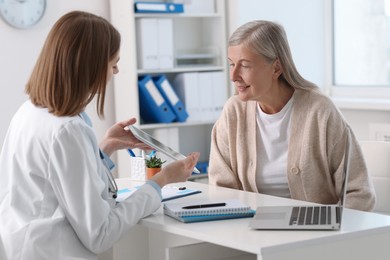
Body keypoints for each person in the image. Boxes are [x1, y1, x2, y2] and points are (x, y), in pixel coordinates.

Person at [0, 11, 199, 259]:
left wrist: (104, 149)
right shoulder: (67, 130)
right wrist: (159, 182)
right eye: (113, 63)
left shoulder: (30, 111)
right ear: (90, 66)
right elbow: (100, 233)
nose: (116, 72)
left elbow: (54, 180)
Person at [208, 20, 375, 211]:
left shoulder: (320, 111)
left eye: (245, 65)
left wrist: (330, 230)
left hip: (316, 235)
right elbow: (221, 191)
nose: (233, 76)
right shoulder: (233, 113)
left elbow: (359, 193)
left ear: (276, 68)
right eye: (231, 64)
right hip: (251, 233)